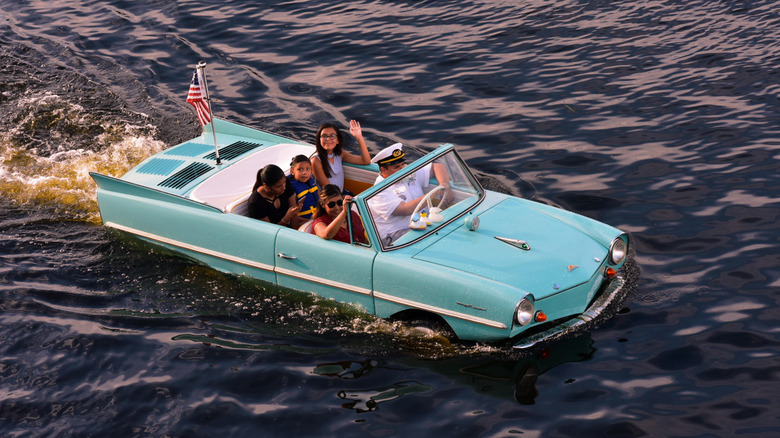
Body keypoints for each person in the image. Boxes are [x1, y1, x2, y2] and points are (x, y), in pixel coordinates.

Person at [367, 143, 450, 245]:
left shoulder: (407, 172)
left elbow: (437, 166)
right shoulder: (379, 190)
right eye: (397, 167)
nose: (402, 169)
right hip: (394, 234)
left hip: (421, 224)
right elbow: (404, 210)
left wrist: (444, 186)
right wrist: (435, 191)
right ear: (383, 170)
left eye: (403, 164)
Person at [311, 120, 371, 192]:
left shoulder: (340, 154)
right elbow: (328, 189)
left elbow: (366, 161)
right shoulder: (316, 160)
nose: (328, 139)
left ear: (338, 140)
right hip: (329, 199)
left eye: (332, 136)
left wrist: (359, 137)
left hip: (339, 197)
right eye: (324, 136)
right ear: (319, 140)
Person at [287, 155, 319, 220]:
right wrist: (310, 221)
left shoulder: (312, 182)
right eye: (300, 169)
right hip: (303, 221)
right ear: (292, 171)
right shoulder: (291, 189)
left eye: (308, 169)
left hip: (316, 217)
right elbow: (293, 215)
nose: (304, 173)